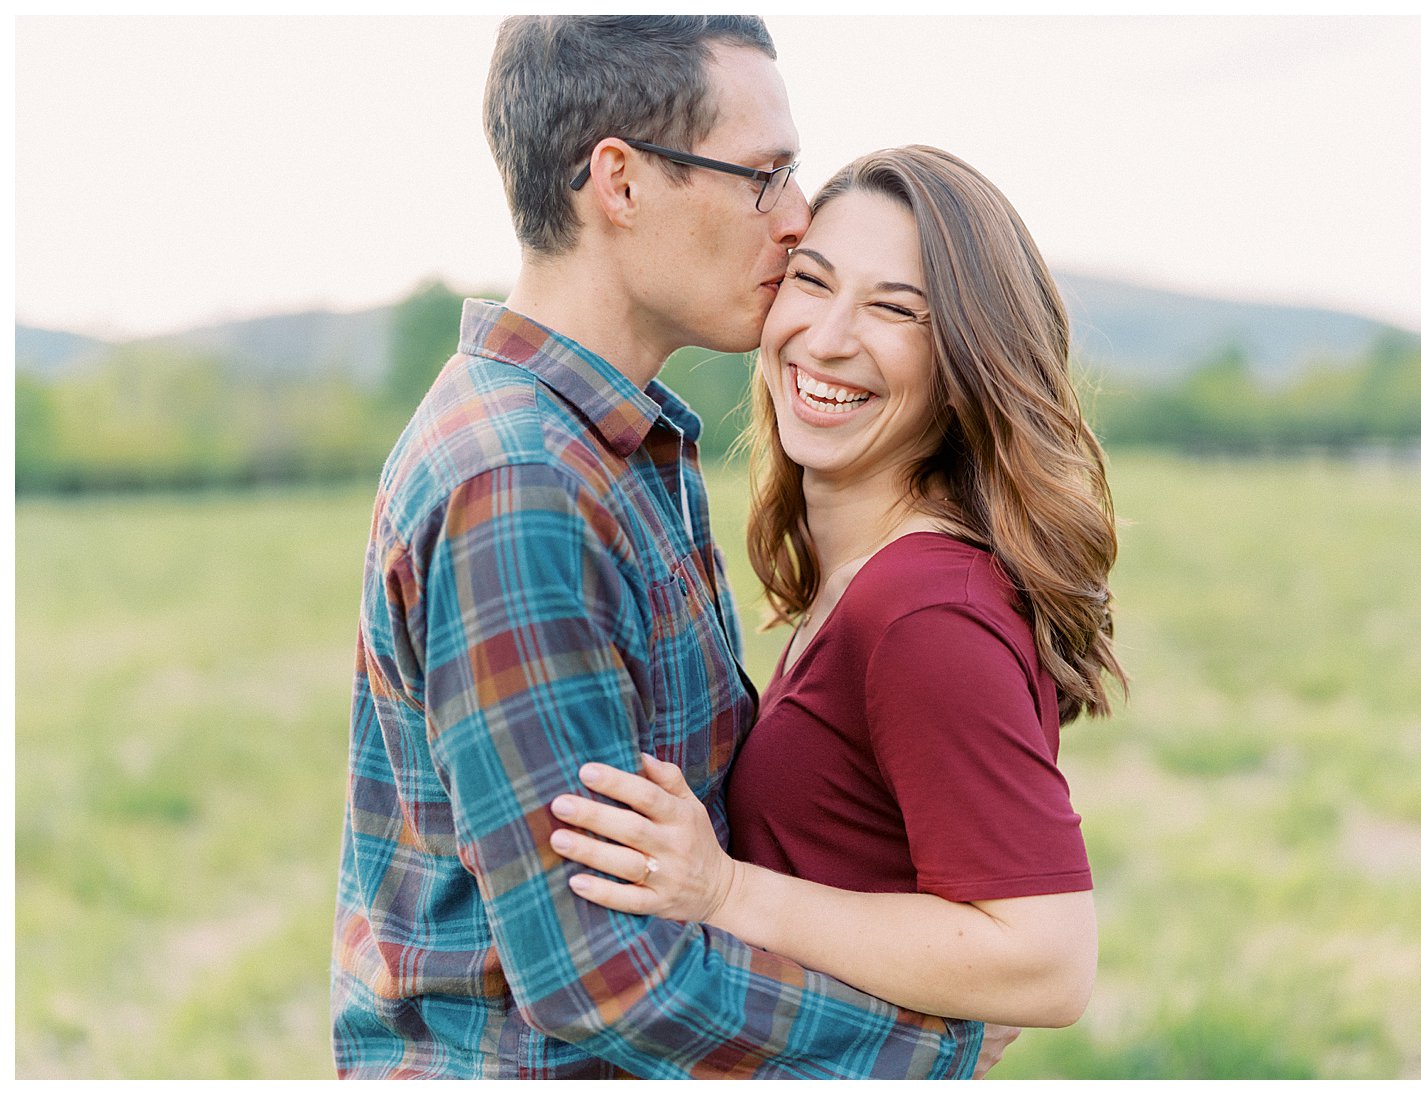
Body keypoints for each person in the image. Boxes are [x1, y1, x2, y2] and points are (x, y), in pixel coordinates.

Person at [330, 17, 990, 1079]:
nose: (798, 218)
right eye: (764, 177)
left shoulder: (614, 445)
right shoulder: (521, 483)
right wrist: (929, 1041)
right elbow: (603, 978)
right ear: (621, 184)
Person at [547, 146, 1126, 1032]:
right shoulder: (863, 581)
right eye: (810, 282)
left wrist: (727, 889)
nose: (826, 337)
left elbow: (1046, 960)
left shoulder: (926, 608)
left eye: (895, 309)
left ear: (968, 359)